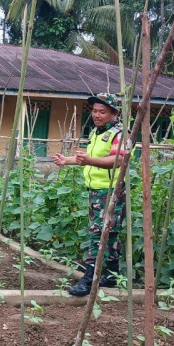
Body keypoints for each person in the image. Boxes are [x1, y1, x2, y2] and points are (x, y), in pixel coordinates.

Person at [51, 93, 127, 297]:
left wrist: (90, 160)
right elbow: (87, 159)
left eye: (102, 111)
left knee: (98, 235)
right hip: (96, 191)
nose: (97, 115)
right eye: (94, 111)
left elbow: (118, 161)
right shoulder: (96, 132)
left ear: (114, 113)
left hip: (111, 192)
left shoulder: (118, 134)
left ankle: (89, 279)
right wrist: (66, 160)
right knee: (108, 233)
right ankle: (111, 276)